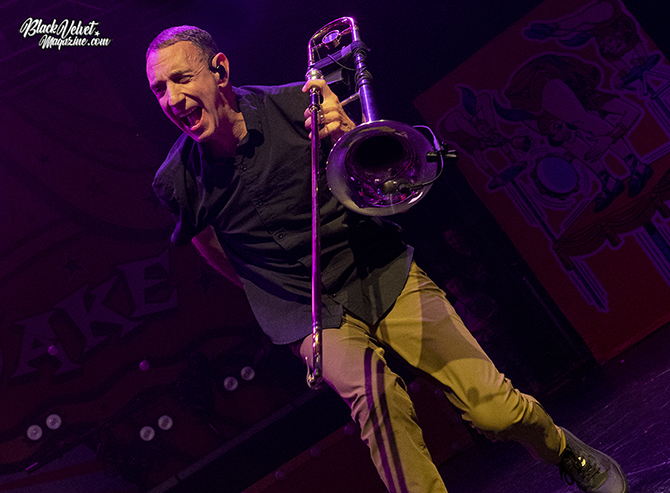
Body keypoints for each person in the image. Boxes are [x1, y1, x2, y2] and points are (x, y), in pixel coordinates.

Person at [145, 25, 629, 493]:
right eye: (159, 89)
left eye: (182, 79)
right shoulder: (175, 180)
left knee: (495, 413)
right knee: (374, 395)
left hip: (379, 270)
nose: (172, 99)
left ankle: (562, 449)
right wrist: (265, 291)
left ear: (220, 71)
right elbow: (207, 243)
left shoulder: (298, 105)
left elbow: (378, 177)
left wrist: (346, 130)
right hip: (306, 312)